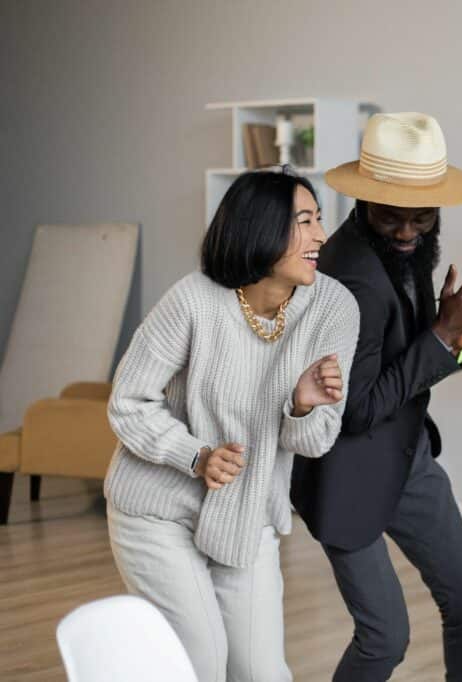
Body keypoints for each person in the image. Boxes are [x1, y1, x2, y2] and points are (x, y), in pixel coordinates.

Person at [104, 170, 360, 682]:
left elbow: (314, 442)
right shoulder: (193, 301)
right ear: (261, 229)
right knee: (200, 660)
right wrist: (195, 455)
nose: (321, 237)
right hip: (157, 509)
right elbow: (127, 402)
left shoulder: (334, 307)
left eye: (319, 221)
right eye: (304, 222)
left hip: (246, 515)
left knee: (261, 672)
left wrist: (303, 405)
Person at [291, 112, 462, 682]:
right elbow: (354, 408)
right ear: (363, 203)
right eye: (392, 218)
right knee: (385, 639)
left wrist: (453, 346)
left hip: (407, 457)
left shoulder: (402, 251)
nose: (408, 233)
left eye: (422, 218)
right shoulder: (350, 278)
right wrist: (440, 337)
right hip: (348, 474)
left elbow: (393, 355)